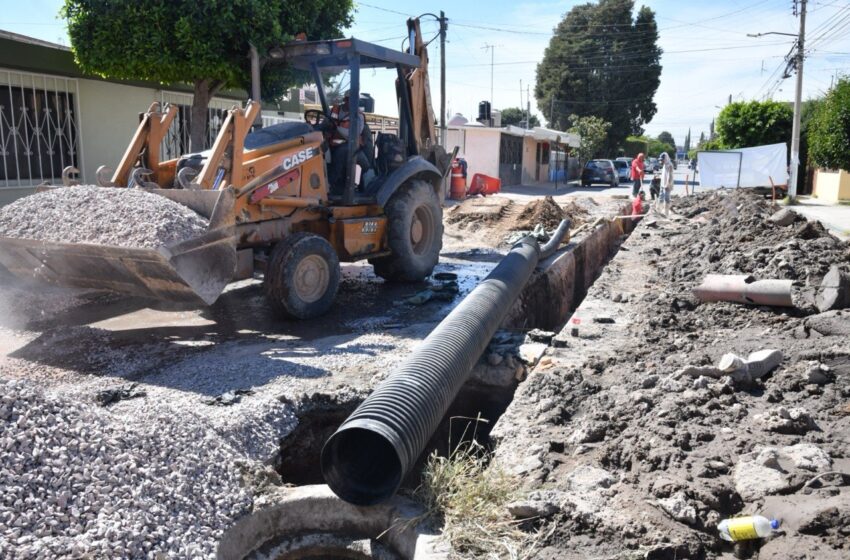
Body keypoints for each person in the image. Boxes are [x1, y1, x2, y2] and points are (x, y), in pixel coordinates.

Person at [325, 92, 374, 193]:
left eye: (355, 101)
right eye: (349, 100)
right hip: (333, 144)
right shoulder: (335, 110)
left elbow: (353, 133)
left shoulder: (358, 115)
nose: (352, 103)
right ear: (345, 100)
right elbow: (326, 123)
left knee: (363, 164)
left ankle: (331, 184)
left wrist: (336, 129)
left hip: (351, 145)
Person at [659, 152, 675, 216]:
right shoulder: (664, 165)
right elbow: (664, 175)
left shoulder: (669, 165)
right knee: (661, 197)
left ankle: (666, 213)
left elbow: (670, 176)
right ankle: (659, 211)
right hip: (663, 184)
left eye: (662, 159)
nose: (661, 161)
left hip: (667, 185)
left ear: (665, 159)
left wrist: (667, 184)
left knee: (666, 198)